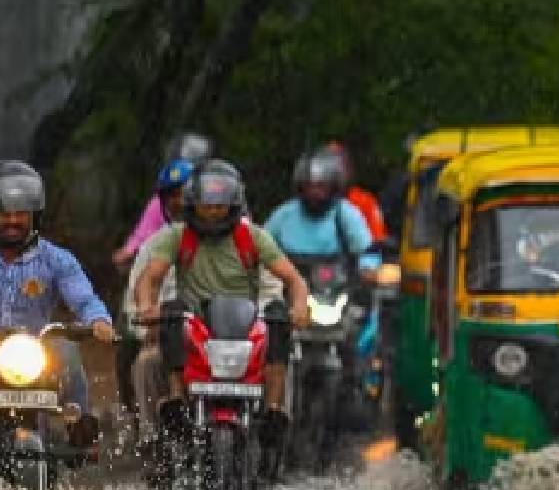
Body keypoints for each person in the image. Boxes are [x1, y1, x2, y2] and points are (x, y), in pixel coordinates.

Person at [134, 160, 310, 441]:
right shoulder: (178, 236)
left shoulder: (253, 237)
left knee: (278, 317)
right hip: (195, 331)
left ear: (234, 203)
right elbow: (150, 278)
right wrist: (146, 306)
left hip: (244, 329)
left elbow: (294, 279)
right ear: (193, 204)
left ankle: (273, 409)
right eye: (207, 205)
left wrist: (299, 306)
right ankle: (177, 399)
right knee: (170, 314)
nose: (214, 212)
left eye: (220, 206)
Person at [0, 161, 115, 445]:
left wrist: (98, 321)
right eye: (4, 214)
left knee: (67, 350)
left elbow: (83, 299)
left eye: (20, 214)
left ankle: (78, 425)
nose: (12, 221)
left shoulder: (57, 259)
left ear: (35, 216)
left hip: (37, 351)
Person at [121, 159, 192, 458]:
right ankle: (154, 442)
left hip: (225, 338)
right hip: (172, 336)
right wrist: (148, 320)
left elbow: (270, 287)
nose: (180, 202)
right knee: (145, 362)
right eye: (172, 195)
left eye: (186, 194)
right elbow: (138, 296)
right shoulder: (155, 246)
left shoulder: (244, 236)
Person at [266, 149, 380, 280]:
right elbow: (260, 247)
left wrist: (367, 269)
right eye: (309, 186)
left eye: (321, 186)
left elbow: (367, 251)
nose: (315, 192)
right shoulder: (284, 215)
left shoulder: (345, 214)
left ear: (332, 186)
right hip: (290, 288)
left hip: (335, 288)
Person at [112, 131, 212, 271]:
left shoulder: (220, 200)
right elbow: (143, 234)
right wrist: (129, 251)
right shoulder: (161, 202)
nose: (179, 201)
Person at [325, 141, 387, 243]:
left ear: (348, 168)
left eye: (340, 164)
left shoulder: (365, 201)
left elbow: (378, 240)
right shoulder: (308, 204)